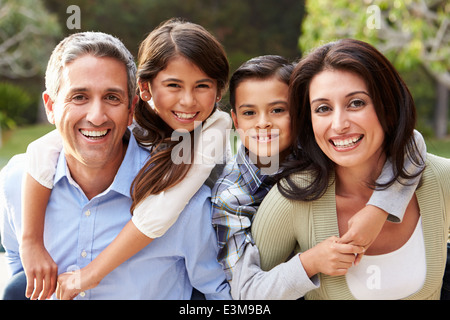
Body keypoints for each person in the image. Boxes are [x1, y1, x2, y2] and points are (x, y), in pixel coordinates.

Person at [0, 28, 231, 300]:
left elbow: (159, 214)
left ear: (130, 107)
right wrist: (31, 241)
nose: (97, 116)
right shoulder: (17, 182)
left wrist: (90, 275)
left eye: (112, 97)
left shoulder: (191, 192)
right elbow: (19, 273)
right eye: (79, 96)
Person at [237, 39, 449, 300]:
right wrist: (307, 264)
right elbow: (244, 296)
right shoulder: (293, 199)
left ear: (389, 107)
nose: (339, 125)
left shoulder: (439, 180)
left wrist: (380, 207)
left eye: (356, 103)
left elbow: (412, 141)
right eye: (323, 109)